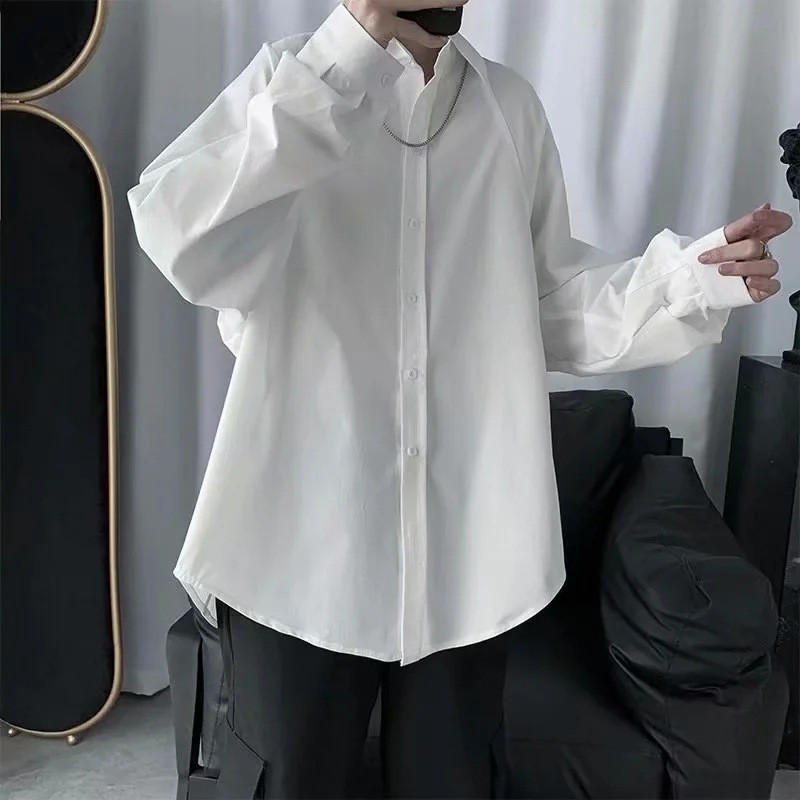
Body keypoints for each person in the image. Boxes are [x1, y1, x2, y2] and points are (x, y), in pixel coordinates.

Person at [127, 0, 792, 796]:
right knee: (288, 783)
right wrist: (349, 48)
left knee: (455, 784)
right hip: (296, 545)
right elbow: (180, 236)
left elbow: (548, 306)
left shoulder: (509, 109)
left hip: (469, 551)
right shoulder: (290, 80)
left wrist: (689, 279)